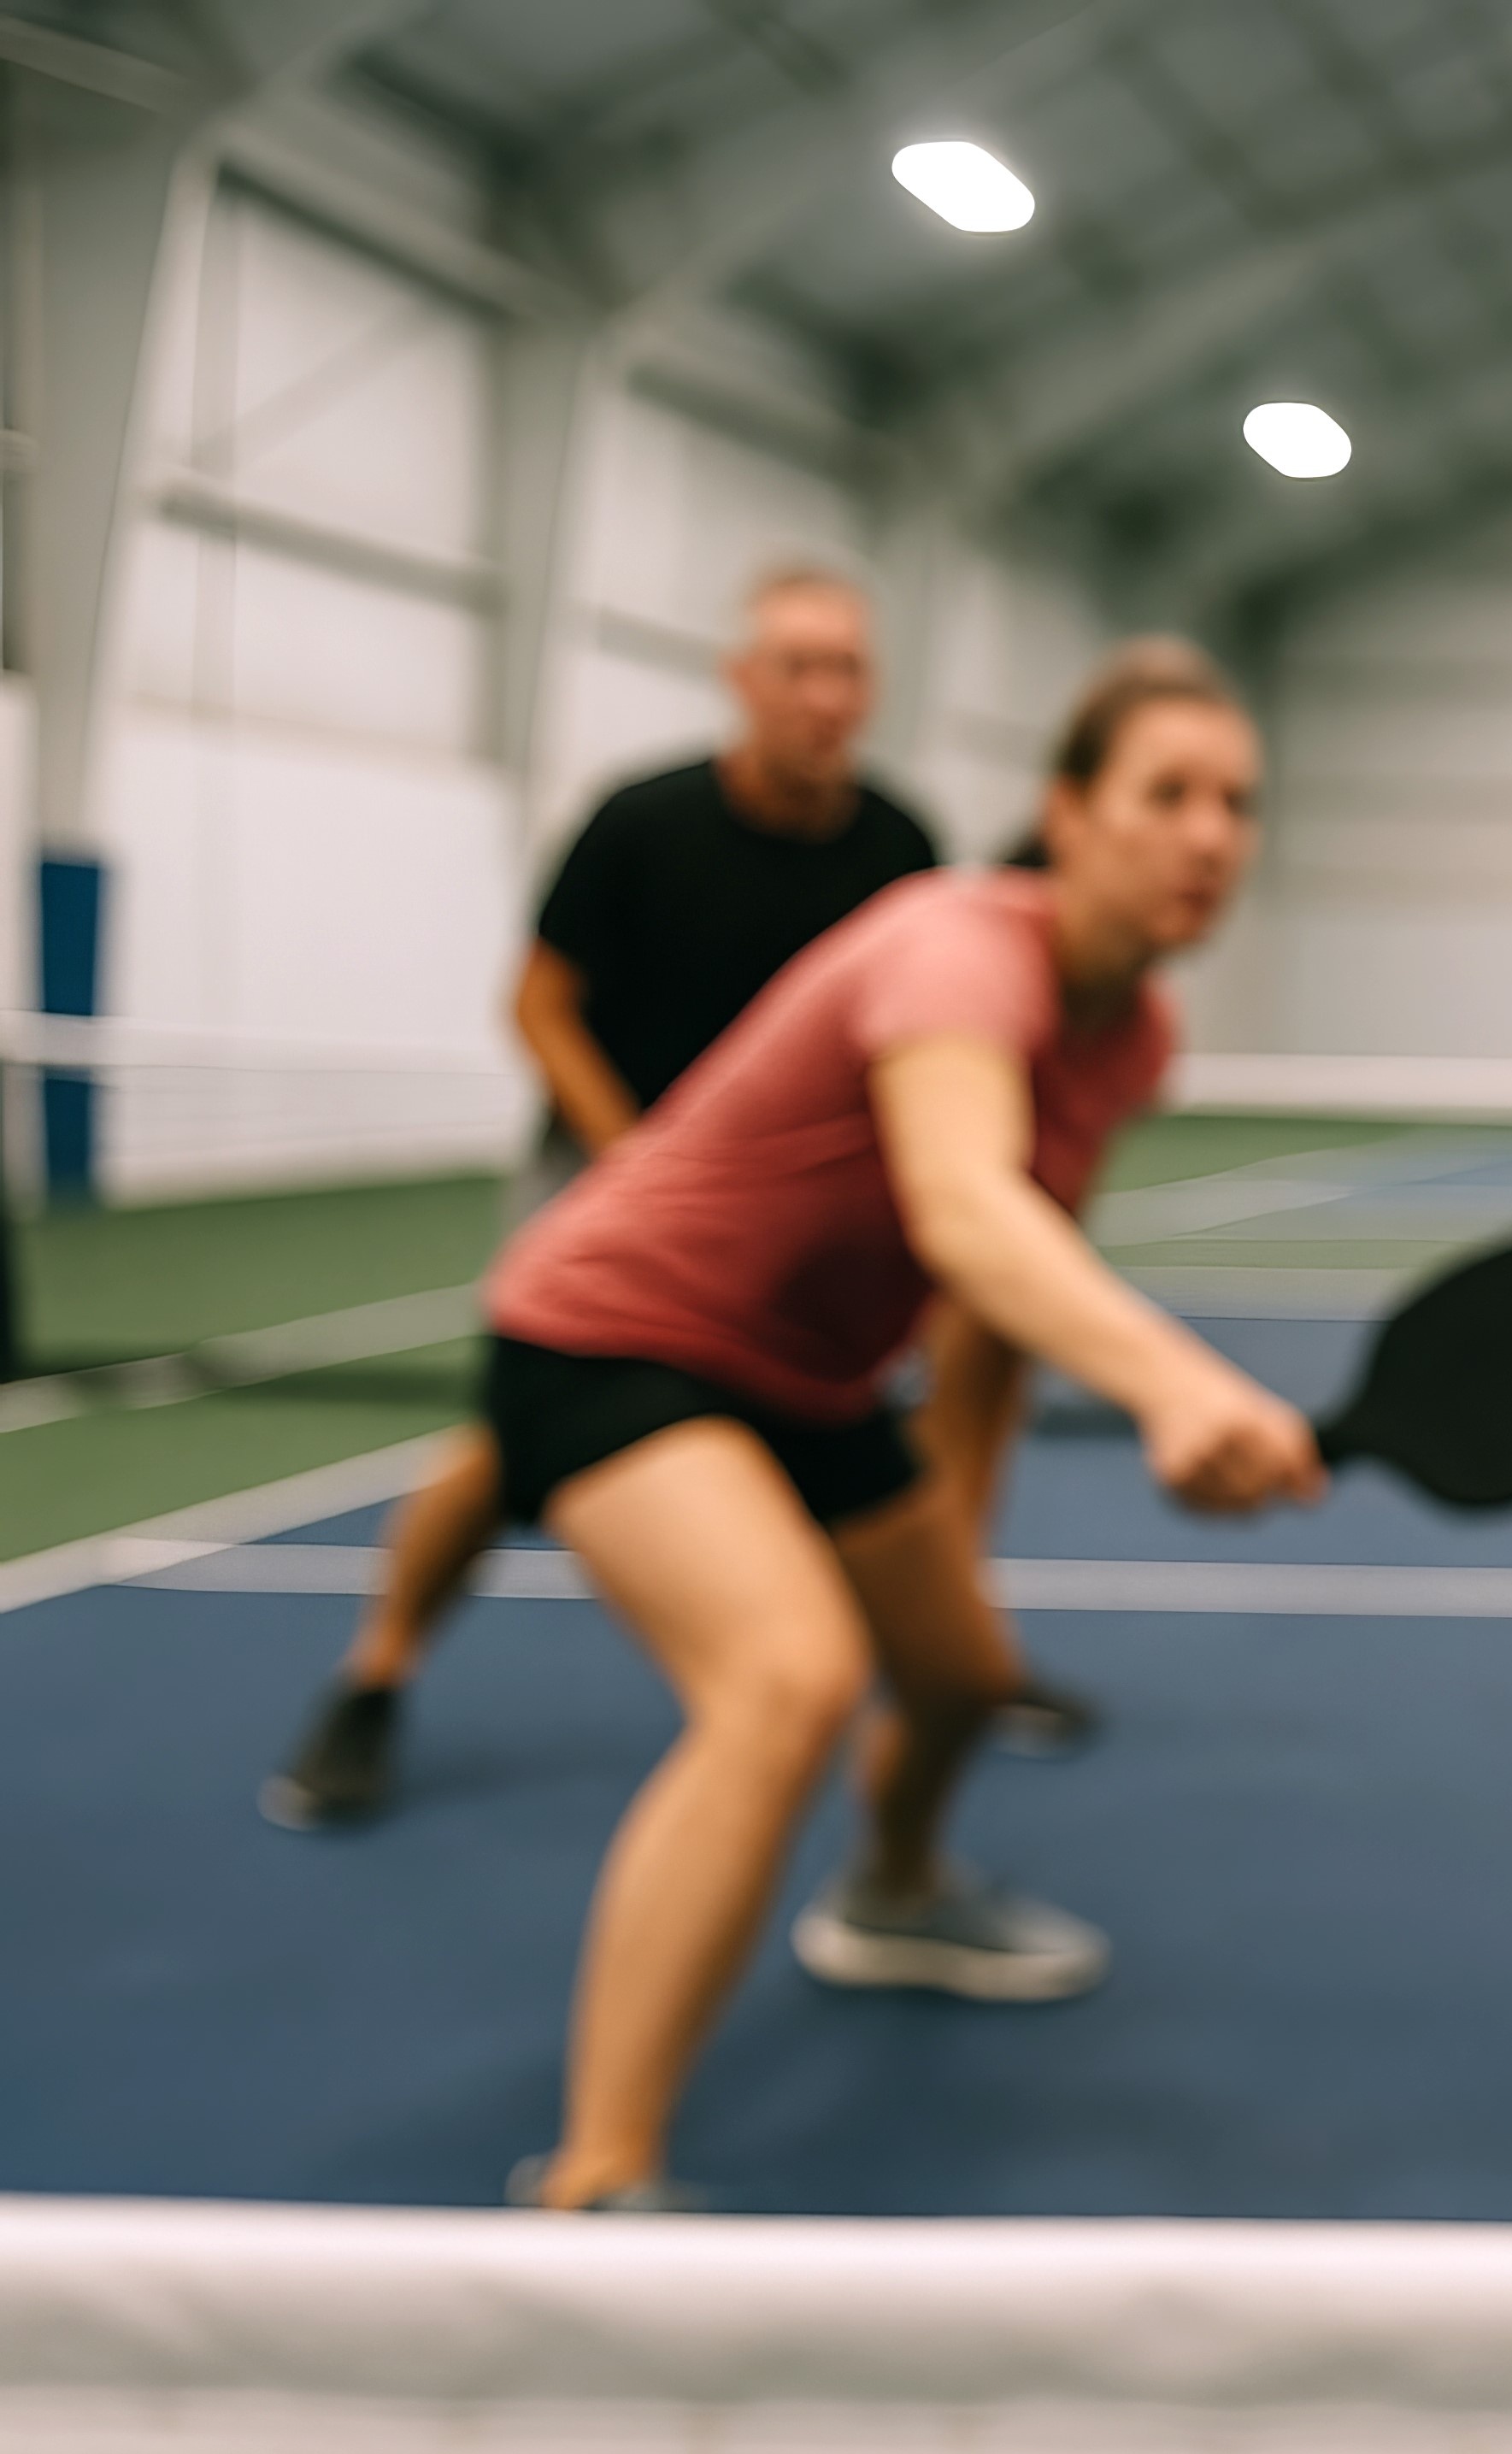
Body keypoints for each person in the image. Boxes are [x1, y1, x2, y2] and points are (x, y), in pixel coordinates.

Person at [485, 640, 1312, 2210]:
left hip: (808, 1378)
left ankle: (893, 1894)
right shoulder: (954, 953)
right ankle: (596, 2183)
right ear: (1065, 813)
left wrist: (961, 1539)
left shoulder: (1128, 1035)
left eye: (1238, 803)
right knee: (787, 1677)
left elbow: (998, 1300)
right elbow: (963, 1208)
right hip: (614, 1338)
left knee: (956, 1682)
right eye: (1168, 794)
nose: (1210, 835)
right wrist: (1175, 1380)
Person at [266, 567, 1087, 1829]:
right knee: (504, 1454)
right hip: (609, 1191)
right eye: (799, 667)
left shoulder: (898, 845)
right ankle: (375, 1675)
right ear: (743, 680)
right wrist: (635, 1154)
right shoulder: (640, 825)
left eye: (848, 669)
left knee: (854, 1431)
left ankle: (952, 1675)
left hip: (785, 1216)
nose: (826, 696)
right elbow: (538, 1004)